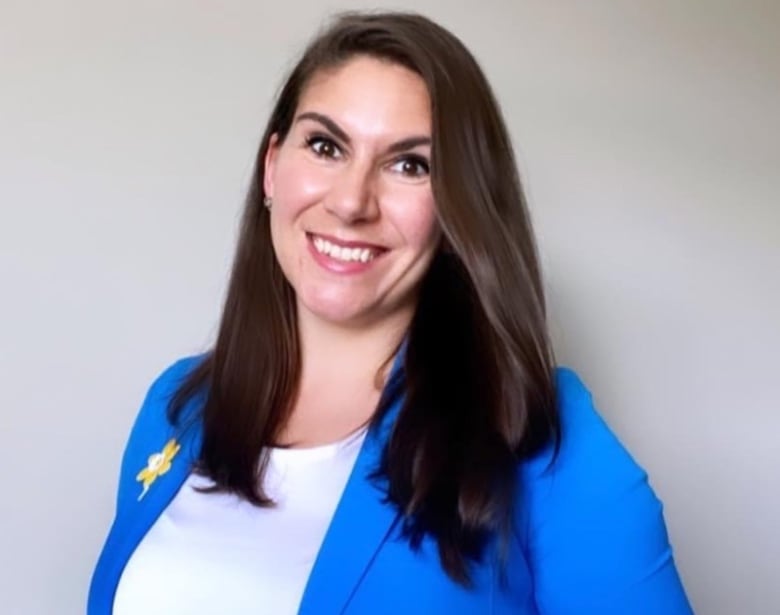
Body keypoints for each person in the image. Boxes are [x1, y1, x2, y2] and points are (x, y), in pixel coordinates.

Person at [89, 11, 693, 615]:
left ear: (460, 209)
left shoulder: (539, 433)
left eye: (410, 165)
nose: (351, 202)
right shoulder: (177, 406)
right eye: (325, 146)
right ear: (272, 167)